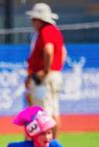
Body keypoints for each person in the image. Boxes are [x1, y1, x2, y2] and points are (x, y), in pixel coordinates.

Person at [25, 3, 67, 138]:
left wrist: (46, 71)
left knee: (43, 113)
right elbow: (63, 52)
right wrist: (55, 68)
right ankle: (53, 142)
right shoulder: (55, 31)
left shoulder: (45, 31)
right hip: (55, 75)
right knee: (54, 111)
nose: (32, 22)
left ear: (39, 20)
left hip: (44, 78)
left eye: (33, 19)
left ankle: (44, 145)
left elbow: (48, 50)